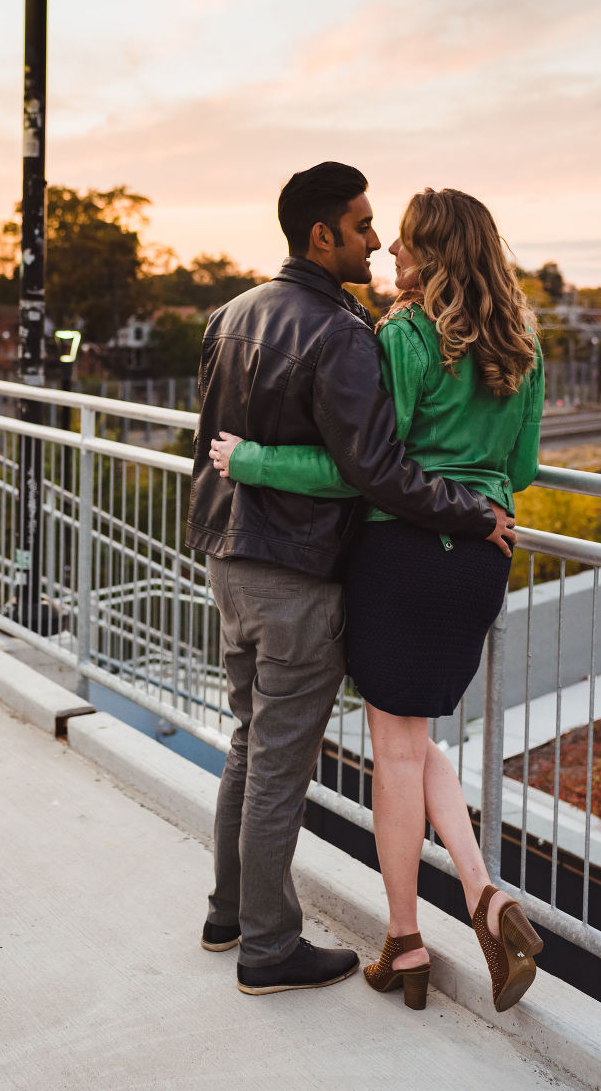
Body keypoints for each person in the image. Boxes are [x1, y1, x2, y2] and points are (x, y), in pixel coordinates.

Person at [210, 187, 545, 1013]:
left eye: (401, 243)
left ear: (430, 255)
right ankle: (483, 895)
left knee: (395, 752)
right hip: (480, 559)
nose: (389, 253)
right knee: (414, 739)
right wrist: (478, 494)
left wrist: (252, 460)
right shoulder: (523, 344)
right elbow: (526, 467)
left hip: (403, 554)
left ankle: (406, 940)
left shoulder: (403, 336)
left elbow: (361, 467)